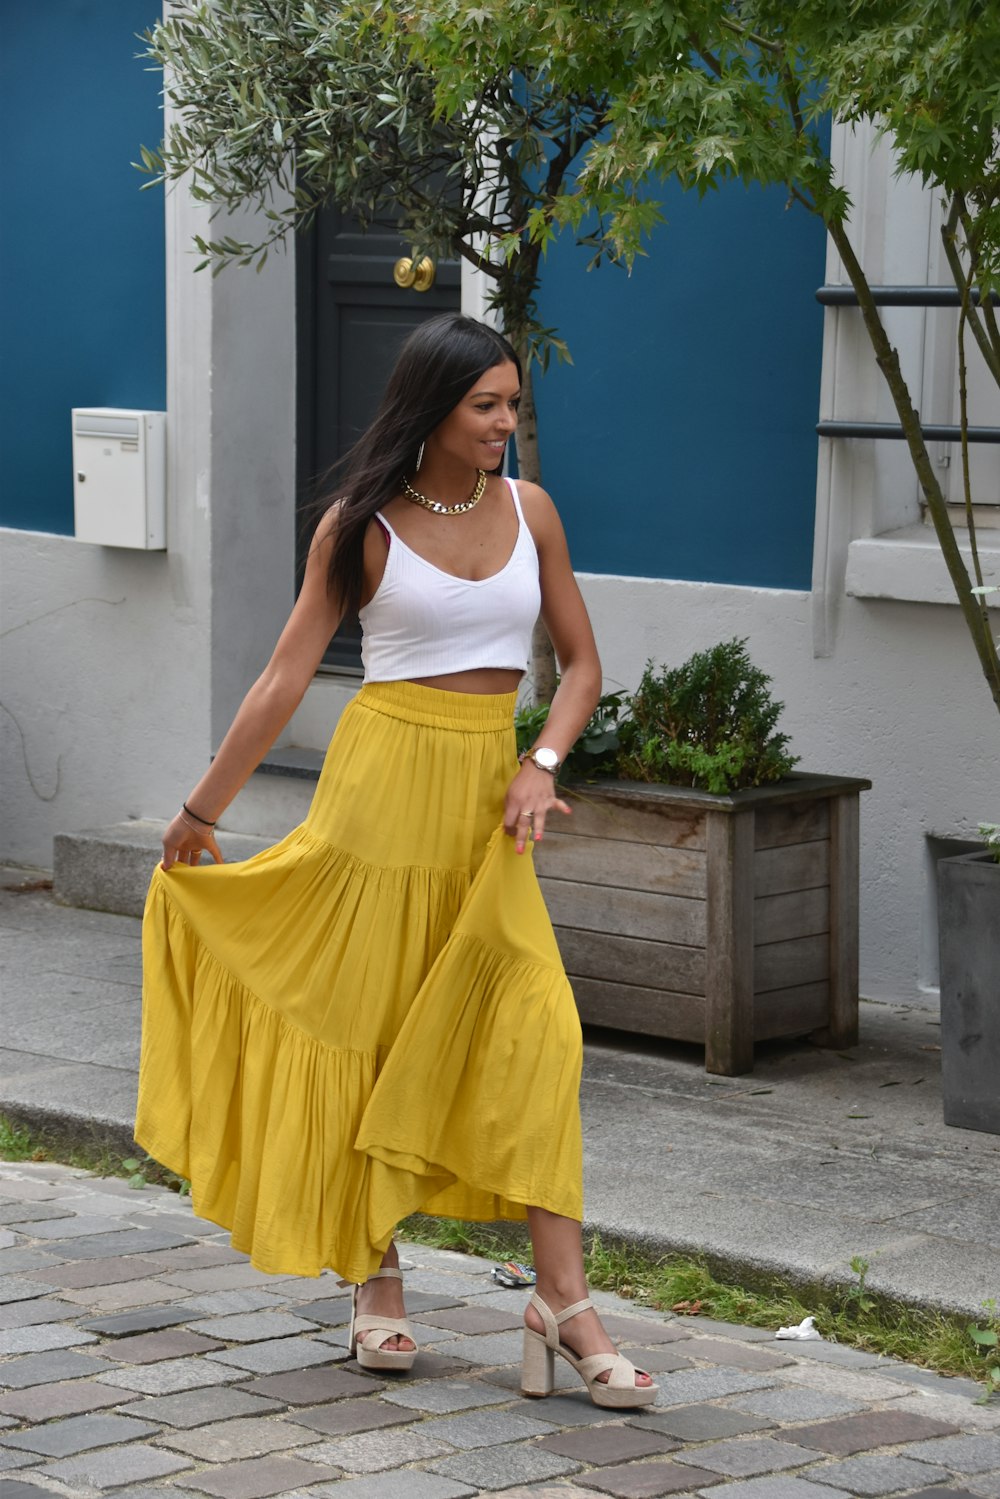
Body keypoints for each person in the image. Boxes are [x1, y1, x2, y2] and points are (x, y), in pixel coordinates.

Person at [135, 313, 655, 1409]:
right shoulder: (361, 524)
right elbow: (282, 680)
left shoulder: (533, 512)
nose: (506, 425)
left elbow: (580, 665)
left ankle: (560, 1300)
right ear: (432, 408)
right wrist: (199, 809)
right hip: (379, 799)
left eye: (514, 405)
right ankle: (372, 1270)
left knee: (539, 1037)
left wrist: (543, 761)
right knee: (366, 1029)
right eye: (486, 406)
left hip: (488, 810)